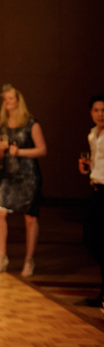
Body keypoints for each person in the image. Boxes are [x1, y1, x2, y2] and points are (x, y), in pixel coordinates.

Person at [0, 84, 47, 277]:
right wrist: (1, 148)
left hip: (28, 176)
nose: (7, 102)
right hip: (9, 174)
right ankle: (1, 257)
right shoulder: (2, 125)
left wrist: (20, 151)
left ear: (18, 101)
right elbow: (0, 153)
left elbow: (42, 149)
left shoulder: (31, 123)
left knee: (30, 218)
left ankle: (29, 260)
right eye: (5, 99)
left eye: (10, 99)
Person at [79, 94, 104, 310]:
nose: (100, 114)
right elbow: (96, 162)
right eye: (96, 110)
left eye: (103, 110)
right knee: (91, 238)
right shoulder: (92, 135)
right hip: (96, 189)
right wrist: (87, 168)